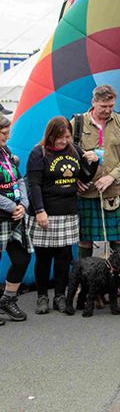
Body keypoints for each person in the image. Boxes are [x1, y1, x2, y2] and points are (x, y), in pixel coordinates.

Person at [26, 117, 98, 315]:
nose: (64, 141)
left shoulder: (74, 149)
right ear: (51, 136)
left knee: (64, 256)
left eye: (67, 136)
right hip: (46, 212)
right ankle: (42, 296)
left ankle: (60, 295)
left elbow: (84, 176)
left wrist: (94, 162)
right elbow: (34, 185)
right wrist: (40, 210)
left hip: (68, 211)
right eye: (60, 137)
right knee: (43, 257)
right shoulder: (38, 153)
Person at [72, 84, 120, 261]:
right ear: (93, 102)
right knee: (85, 241)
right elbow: (66, 155)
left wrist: (111, 176)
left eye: (111, 106)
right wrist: (76, 179)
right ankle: (82, 283)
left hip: (114, 191)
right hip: (86, 192)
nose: (108, 110)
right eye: (103, 106)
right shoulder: (77, 123)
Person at [0, 115, 32, 322]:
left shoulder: (6, 152)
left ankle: (7, 299)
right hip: (2, 215)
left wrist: (24, 205)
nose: (7, 137)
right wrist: (13, 206)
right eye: (4, 134)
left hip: (15, 217)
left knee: (22, 258)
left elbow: (19, 179)